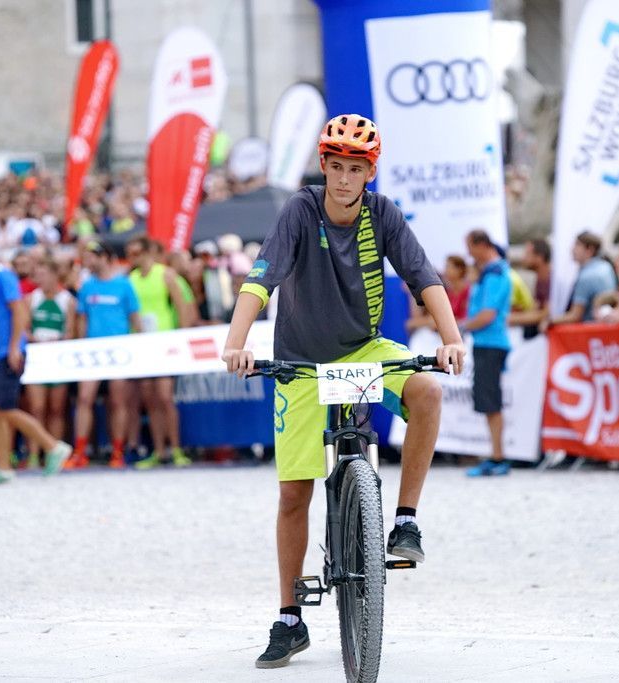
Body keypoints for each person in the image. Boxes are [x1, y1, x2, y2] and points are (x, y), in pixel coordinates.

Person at [221, 114, 464, 669]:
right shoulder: (300, 210)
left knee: (427, 390)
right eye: (336, 167)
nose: (345, 178)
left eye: (356, 169)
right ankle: (290, 618)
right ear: (324, 166)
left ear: (369, 173)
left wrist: (452, 339)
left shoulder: (383, 214)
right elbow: (261, 278)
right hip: (302, 361)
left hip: (362, 350)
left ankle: (405, 520)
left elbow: (423, 277)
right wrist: (237, 343)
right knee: (293, 495)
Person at [0, 235, 72, 485]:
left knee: (6, 409)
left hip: (8, 350)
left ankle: (53, 446)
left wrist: (14, 347)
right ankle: (3, 467)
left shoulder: (1, 275)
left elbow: (19, 310)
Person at [66, 242, 141, 470]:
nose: (87, 262)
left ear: (105, 257)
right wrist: (81, 347)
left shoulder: (124, 285)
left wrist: (140, 347)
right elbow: (82, 319)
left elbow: (135, 318)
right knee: (84, 399)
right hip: (93, 351)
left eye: (92, 257)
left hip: (119, 350)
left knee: (118, 401)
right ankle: (80, 452)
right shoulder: (87, 286)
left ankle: (117, 451)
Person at [127, 237, 192, 469]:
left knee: (165, 397)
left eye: (136, 253)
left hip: (165, 342)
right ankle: (159, 451)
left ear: (147, 252)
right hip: (143, 343)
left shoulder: (165, 274)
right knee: (150, 398)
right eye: (129, 253)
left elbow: (181, 307)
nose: (132, 258)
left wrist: (181, 337)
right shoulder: (132, 279)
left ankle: (176, 449)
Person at [461, 231, 512, 477]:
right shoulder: (491, 272)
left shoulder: (495, 273)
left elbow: (487, 314)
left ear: (482, 245)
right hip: (487, 343)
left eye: (470, 247)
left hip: (491, 343)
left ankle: (498, 457)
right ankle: (496, 455)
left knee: (492, 403)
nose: (469, 254)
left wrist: (460, 327)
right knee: (490, 402)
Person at [25, 258, 76, 469]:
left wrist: (58, 341)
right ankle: (33, 454)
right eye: (38, 275)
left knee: (56, 409)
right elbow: (24, 328)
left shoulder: (67, 300)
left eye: (44, 274)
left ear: (55, 275)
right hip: (36, 359)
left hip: (57, 358)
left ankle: (53, 453)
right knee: (36, 408)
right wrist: (34, 339)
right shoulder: (31, 299)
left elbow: (71, 331)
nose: (40, 279)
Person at [548, 231, 617, 326]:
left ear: (590, 250)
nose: (572, 249)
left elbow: (575, 315)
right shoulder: (606, 266)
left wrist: (549, 321)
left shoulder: (586, 276)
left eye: (577, 245)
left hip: (590, 328)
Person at [509, 238, 550, 336]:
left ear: (540, 257)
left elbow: (546, 313)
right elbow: (537, 309)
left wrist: (509, 319)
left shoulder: (551, 280)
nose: (523, 258)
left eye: (527, 254)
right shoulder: (540, 279)